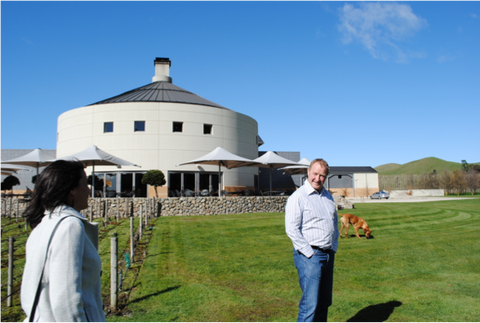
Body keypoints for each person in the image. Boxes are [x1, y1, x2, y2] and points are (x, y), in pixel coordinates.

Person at [21, 160, 105, 323]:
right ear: (72, 189)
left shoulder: (42, 225)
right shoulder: (69, 226)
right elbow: (65, 300)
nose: (88, 190)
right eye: (85, 184)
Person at [285, 158, 339, 323]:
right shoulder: (298, 197)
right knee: (310, 305)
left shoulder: (328, 196)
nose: (318, 178)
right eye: (315, 174)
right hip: (310, 256)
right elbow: (292, 229)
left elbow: (334, 223)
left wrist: (333, 247)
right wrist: (310, 253)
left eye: (322, 175)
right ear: (308, 172)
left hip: (328, 254)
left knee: (324, 302)